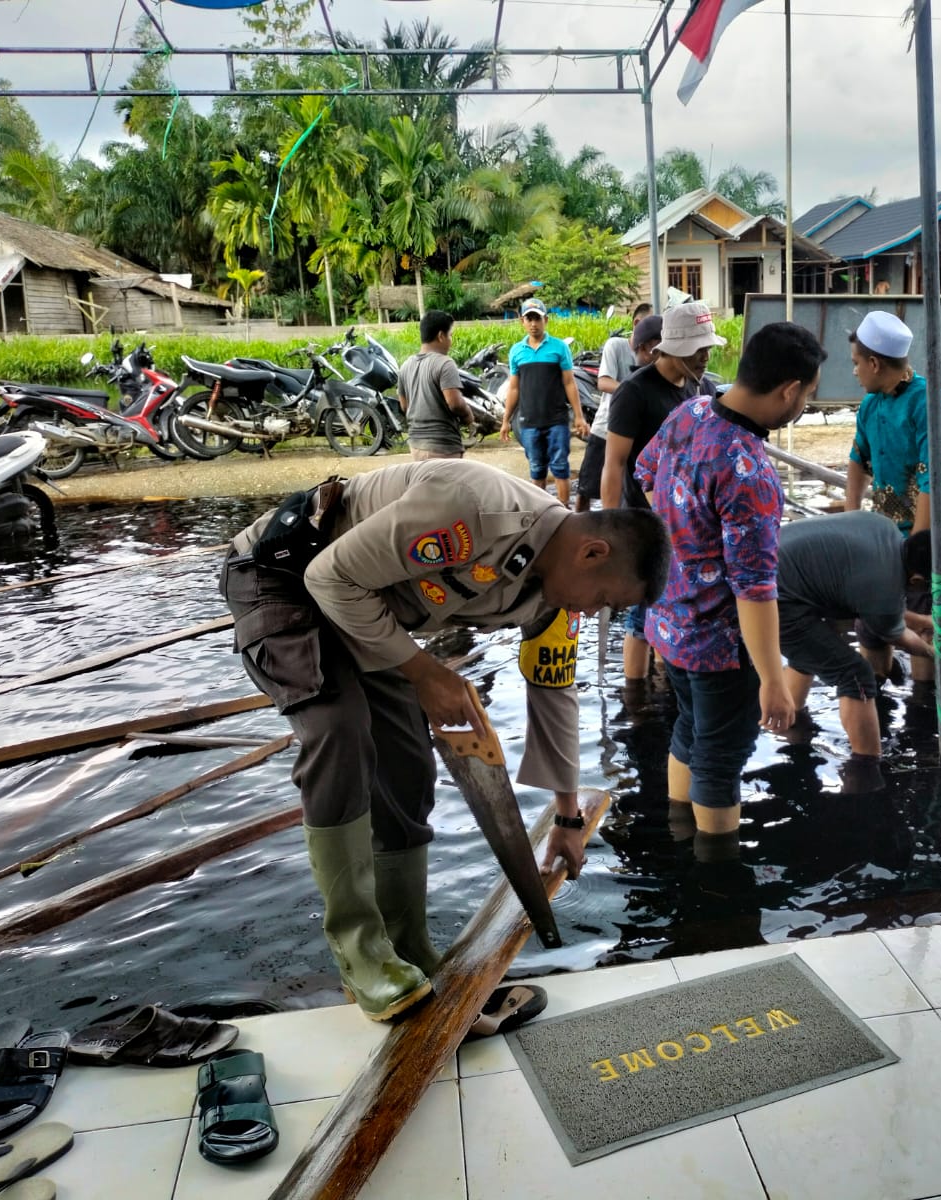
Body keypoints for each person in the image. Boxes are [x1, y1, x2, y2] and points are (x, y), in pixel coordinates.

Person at [221, 459, 670, 1020]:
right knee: (340, 730)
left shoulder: (554, 597)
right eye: (603, 599)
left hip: (361, 607)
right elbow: (328, 578)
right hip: (282, 576)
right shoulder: (476, 509)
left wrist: (567, 817)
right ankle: (361, 956)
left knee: (409, 765)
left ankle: (406, 948)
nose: (592, 610)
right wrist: (425, 673)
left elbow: (554, 691)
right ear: (592, 552)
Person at [635, 321, 828, 839]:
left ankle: (680, 839)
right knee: (721, 760)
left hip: (669, 622)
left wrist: (682, 544)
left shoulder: (689, 412)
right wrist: (774, 682)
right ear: (789, 390)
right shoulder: (749, 470)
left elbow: (646, 473)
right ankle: (715, 876)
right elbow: (754, 588)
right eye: (807, 395)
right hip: (720, 647)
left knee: (689, 729)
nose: (803, 405)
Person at [778, 512, 941, 761]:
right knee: (855, 675)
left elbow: (881, 608)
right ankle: (865, 766)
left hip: (764, 565)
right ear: (917, 581)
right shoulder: (884, 587)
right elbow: (894, 630)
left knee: (813, 649)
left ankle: (790, 724)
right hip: (769, 596)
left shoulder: (885, 528)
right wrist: (932, 652)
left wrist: (924, 622)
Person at [603, 301, 724, 680]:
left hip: (690, 526)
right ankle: (635, 697)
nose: (705, 357)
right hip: (646, 523)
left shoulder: (703, 388)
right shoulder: (634, 392)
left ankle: (666, 685)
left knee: (677, 611)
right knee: (643, 611)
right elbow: (614, 464)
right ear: (670, 348)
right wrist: (611, 529)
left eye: (707, 348)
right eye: (697, 349)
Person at [843, 310, 941, 534]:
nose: (854, 372)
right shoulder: (870, 404)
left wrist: (916, 547)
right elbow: (859, 458)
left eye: (856, 363)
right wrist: (850, 523)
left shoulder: (933, 404)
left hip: (938, 532)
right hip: (890, 529)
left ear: (874, 364)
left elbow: (935, 481)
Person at [501, 299, 590, 507]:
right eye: (529, 319)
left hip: (557, 420)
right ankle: (541, 513)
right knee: (536, 469)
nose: (534, 324)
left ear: (546, 320)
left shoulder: (559, 348)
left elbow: (569, 383)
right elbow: (514, 388)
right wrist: (506, 420)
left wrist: (579, 416)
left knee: (560, 467)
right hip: (529, 422)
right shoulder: (517, 351)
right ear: (522, 321)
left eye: (537, 319)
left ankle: (564, 510)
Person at [575, 304, 655, 513]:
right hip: (606, 428)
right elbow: (603, 382)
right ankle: (579, 527)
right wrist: (635, 393)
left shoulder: (654, 355)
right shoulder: (616, 346)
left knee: (625, 492)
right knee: (586, 490)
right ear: (637, 323)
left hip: (635, 434)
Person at [401, 309, 468, 461]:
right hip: (442, 446)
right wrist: (468, 416)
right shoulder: (445, 363)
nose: (451, 340)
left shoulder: (406, 365)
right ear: (441, 336)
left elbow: (404, 406)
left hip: (416, 445)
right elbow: (455, 404)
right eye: (450, 335)